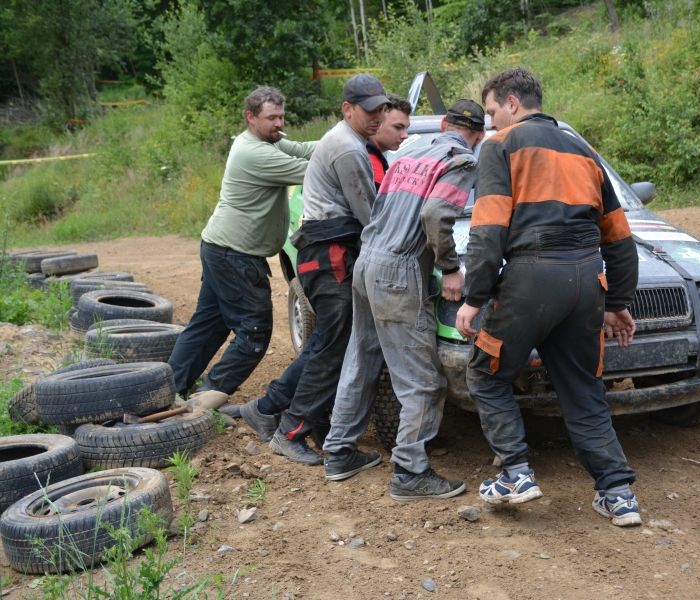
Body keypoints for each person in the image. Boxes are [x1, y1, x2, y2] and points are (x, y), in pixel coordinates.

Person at [455, 68, 643, 527]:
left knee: (485, 374)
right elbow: (620, 239)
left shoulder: (499, 145)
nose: (490, 122)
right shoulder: (584, 150)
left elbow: (488, 231)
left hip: (530, 278)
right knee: (583, 388)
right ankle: (618, 495)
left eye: (493, 111)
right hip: (587, 281)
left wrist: (474, 297)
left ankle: (515, 474)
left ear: (512, 103)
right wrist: (617, 303)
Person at [320, 100, 486, 499]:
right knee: (423, 381)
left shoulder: (409, 155)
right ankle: (410, 472)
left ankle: (339, 452)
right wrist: (450, 266)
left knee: (361, 358)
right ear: (479, 136)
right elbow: (435, 215)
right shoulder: (462, 161)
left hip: (368, 262)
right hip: (399, 271)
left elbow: (379, 209)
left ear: (443, 124)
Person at [237, 74, 391, 465]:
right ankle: (291, 431)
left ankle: (296, 419)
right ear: (348, 109)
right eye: (370, 110)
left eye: (382, 109)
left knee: (327, 342)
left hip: (324, 253)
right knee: (333, 348)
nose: (378, 117)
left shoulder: (347, 140)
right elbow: (371, 217)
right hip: (331, 254)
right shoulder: (349, 149)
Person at [167, 86, 318, 400]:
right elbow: (313, 170)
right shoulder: (256, 153)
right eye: (271, 117)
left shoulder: (263, 140)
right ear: (251, 117)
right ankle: (206, 400)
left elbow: (303, 148)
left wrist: (346, 137)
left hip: (221, 249)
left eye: (281, 116)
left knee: (208, 325)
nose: (279, 123)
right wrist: (351, 149)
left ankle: (168, 390)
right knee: (255, 332)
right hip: (234, 256)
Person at [367, 93, 412, 188]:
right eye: (398, 127)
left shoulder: (369, 156)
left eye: (406, 128)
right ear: (377, 123)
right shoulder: (369, 164)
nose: (405, 135)